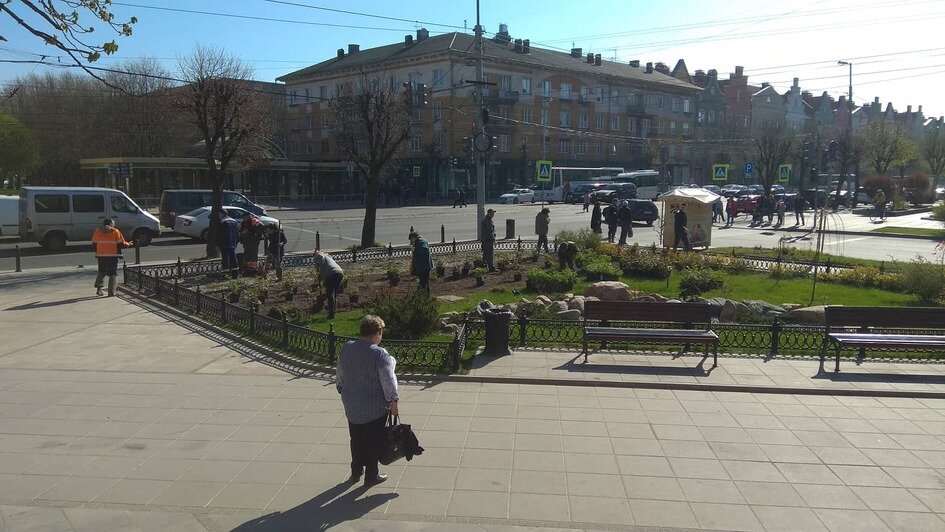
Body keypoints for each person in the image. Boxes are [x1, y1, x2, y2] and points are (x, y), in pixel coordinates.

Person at [336, 315, 399, 487]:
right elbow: (389, 381)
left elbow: (340, 372)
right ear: (378, 333)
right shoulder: (380, 354)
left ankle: (356, 471)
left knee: (355, 438)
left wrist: (342, 389)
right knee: (373, 441)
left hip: (351, 404)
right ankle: (371, 475)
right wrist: (393, 401)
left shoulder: (347, 348)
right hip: (374, 407)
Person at [91, 218, 131, 297]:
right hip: (112, 255)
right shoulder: (115, 231)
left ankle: (99, 289)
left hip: (101, 255)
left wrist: (98, 251)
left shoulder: (97, 231)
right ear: (110, 223)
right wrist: (128, 244)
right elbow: (121, 243)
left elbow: (94, 243)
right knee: (112, 273)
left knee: (101, 272)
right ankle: (111, 291)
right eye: (113, 223)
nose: (114, 225)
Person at [314, 251, 345, 319]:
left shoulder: (320, 255)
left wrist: (317, 261)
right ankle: (333, 312)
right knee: (334, 294)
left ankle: (331, 314)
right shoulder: (328, 257)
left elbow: (320, 260)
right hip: (339, 273)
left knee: (330, 294)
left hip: (331, 274)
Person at [217, 210, 240, 278]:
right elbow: (237, 233)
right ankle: (235, 274)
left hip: (224, 243)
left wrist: (218, 243)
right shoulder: (234, 221)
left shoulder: (223, 222)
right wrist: (236, 242)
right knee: (233, 257)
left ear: (222, 214)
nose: (219, 216)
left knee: (225, 259)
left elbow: (220, 234)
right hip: (232, 243)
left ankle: (225, 274)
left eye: (219, 214)